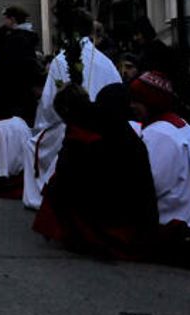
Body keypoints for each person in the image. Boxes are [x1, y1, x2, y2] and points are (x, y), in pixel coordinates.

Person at [32, 83, 159, 261]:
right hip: (135, 200)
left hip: (111, 200)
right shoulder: (107, 119)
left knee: (58, 184)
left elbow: (70, 169)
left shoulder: (82, 125)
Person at [24, 10, 120, 210]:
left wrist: (40, 126)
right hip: (107, 127)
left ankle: (39, 194)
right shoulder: (106, 61)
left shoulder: (62, 60)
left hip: (70, 125)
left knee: (32, 145)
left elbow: (50, 105)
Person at [130, 71, 190, 268]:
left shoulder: (158, 134)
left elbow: (148, 184)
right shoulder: (183, 127)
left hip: (186, 225)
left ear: (151, 102)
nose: (131, 106)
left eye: (137, 101)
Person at [0, 5, 40, 122]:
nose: (5, 22)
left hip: (15, 92)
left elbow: (8, 63)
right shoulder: (26, 37)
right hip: (26, 93)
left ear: (13, 19)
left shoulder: (16, 39)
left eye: (6, 18)